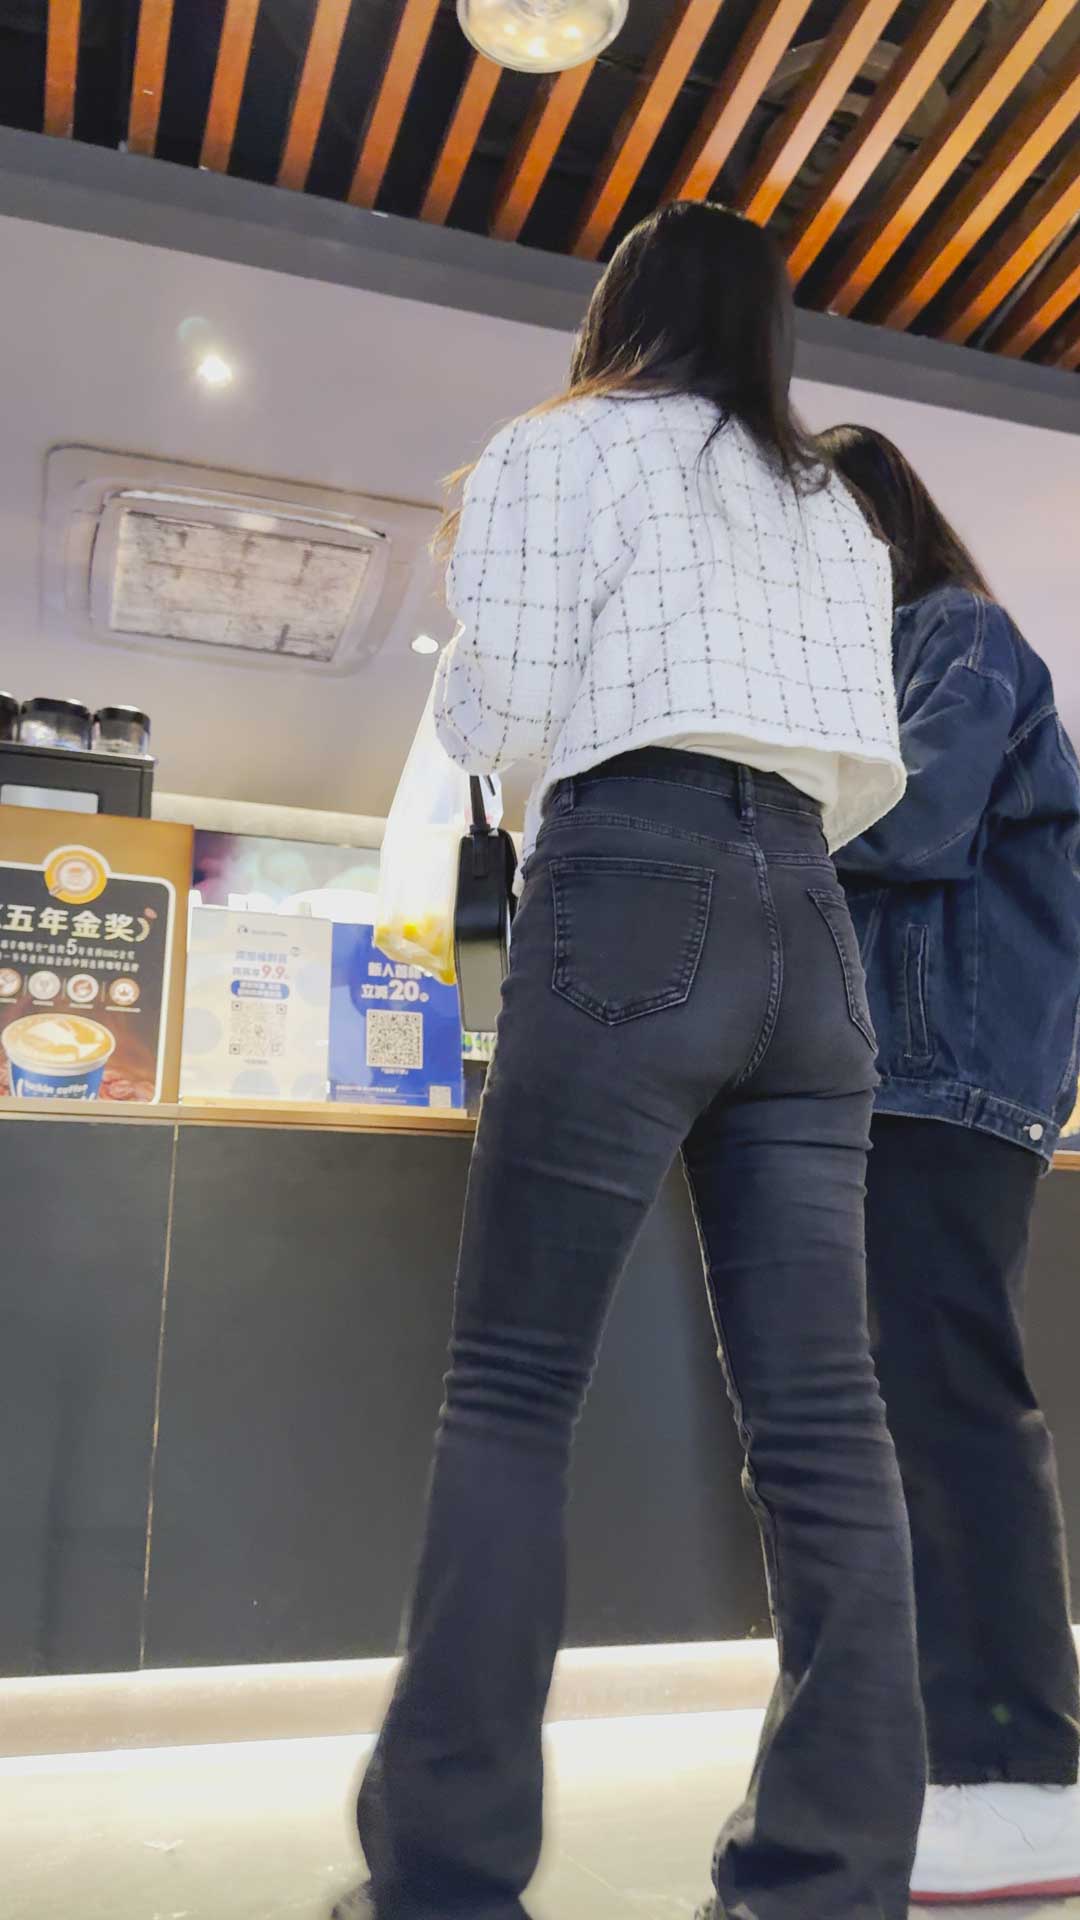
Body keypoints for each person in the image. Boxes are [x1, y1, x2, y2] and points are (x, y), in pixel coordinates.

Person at [333, 203, 926, 1920]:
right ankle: (830, 1881)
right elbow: (865, 765)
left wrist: (527, 768)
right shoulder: (833, 509)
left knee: (514, 1390)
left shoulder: (561, 446)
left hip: (628, 881)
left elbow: (504, 708)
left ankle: (447, 1876)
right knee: (826, 1421)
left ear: (622, 307)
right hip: (811, 919)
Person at [822, 422, 1080, 1904]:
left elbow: (918, 822)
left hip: (944, 1082)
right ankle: (945, 1757)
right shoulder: (893, 655)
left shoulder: (953, 631)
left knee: (950, 1412)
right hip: (905, 1083)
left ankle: (1018, 1776)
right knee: (908, 1420)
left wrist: (745, 806)